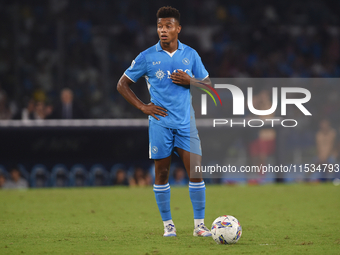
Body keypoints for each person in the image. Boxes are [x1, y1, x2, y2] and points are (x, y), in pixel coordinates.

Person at [117, 6, 211, 237]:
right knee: (161, 174)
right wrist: (142, 106)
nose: (163, 30)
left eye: (168, 26)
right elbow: (122, 84)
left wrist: (191, 81)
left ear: (178, 28)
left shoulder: (191, 55)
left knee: (196, 173)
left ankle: (199, 226)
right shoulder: (147, 56)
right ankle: (168, 225)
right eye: (160, 26)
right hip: (160, 123)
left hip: (186, 124)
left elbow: (209, 87)